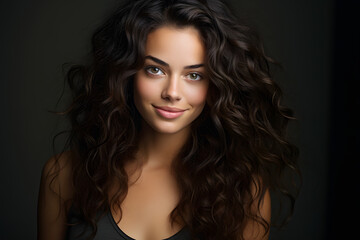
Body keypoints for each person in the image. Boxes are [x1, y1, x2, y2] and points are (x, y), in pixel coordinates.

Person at [37, 0, 300, 239]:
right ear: (126, 73)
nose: (172, 92)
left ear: (217, 85)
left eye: (194, 75)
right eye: (155, 70)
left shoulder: (244, 193)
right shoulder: (64, 175)